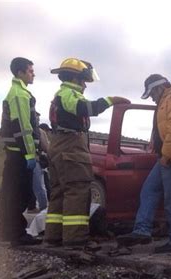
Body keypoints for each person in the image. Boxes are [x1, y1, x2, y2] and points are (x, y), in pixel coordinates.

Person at [44, 58, 130, 247]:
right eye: (83, 81)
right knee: (77, 190)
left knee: (60, 192)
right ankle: (75, 239)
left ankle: (54, 235)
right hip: (71, 147)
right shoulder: (68, 94)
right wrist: (110, 100)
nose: (85, 85)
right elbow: (86, 108)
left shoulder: (61, 94)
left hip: (60, 146)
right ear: (75, 79)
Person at [117, 74, 171, 253]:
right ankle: (142, 230)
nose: (152, 99)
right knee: (150, 189)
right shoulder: (169, 100)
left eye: (152, 94)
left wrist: (165, 156)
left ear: (159, 88)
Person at [0, 57, 41, 245]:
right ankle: (16, 234)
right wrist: (30, 155)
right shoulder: (19, 94)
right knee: (17, 194)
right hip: (19, 154)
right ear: (20, 73)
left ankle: (10, 232)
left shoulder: (18, 92)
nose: (33, 74)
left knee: (11, 193)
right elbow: (23, 127)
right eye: (30, 71)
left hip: (15, 152)